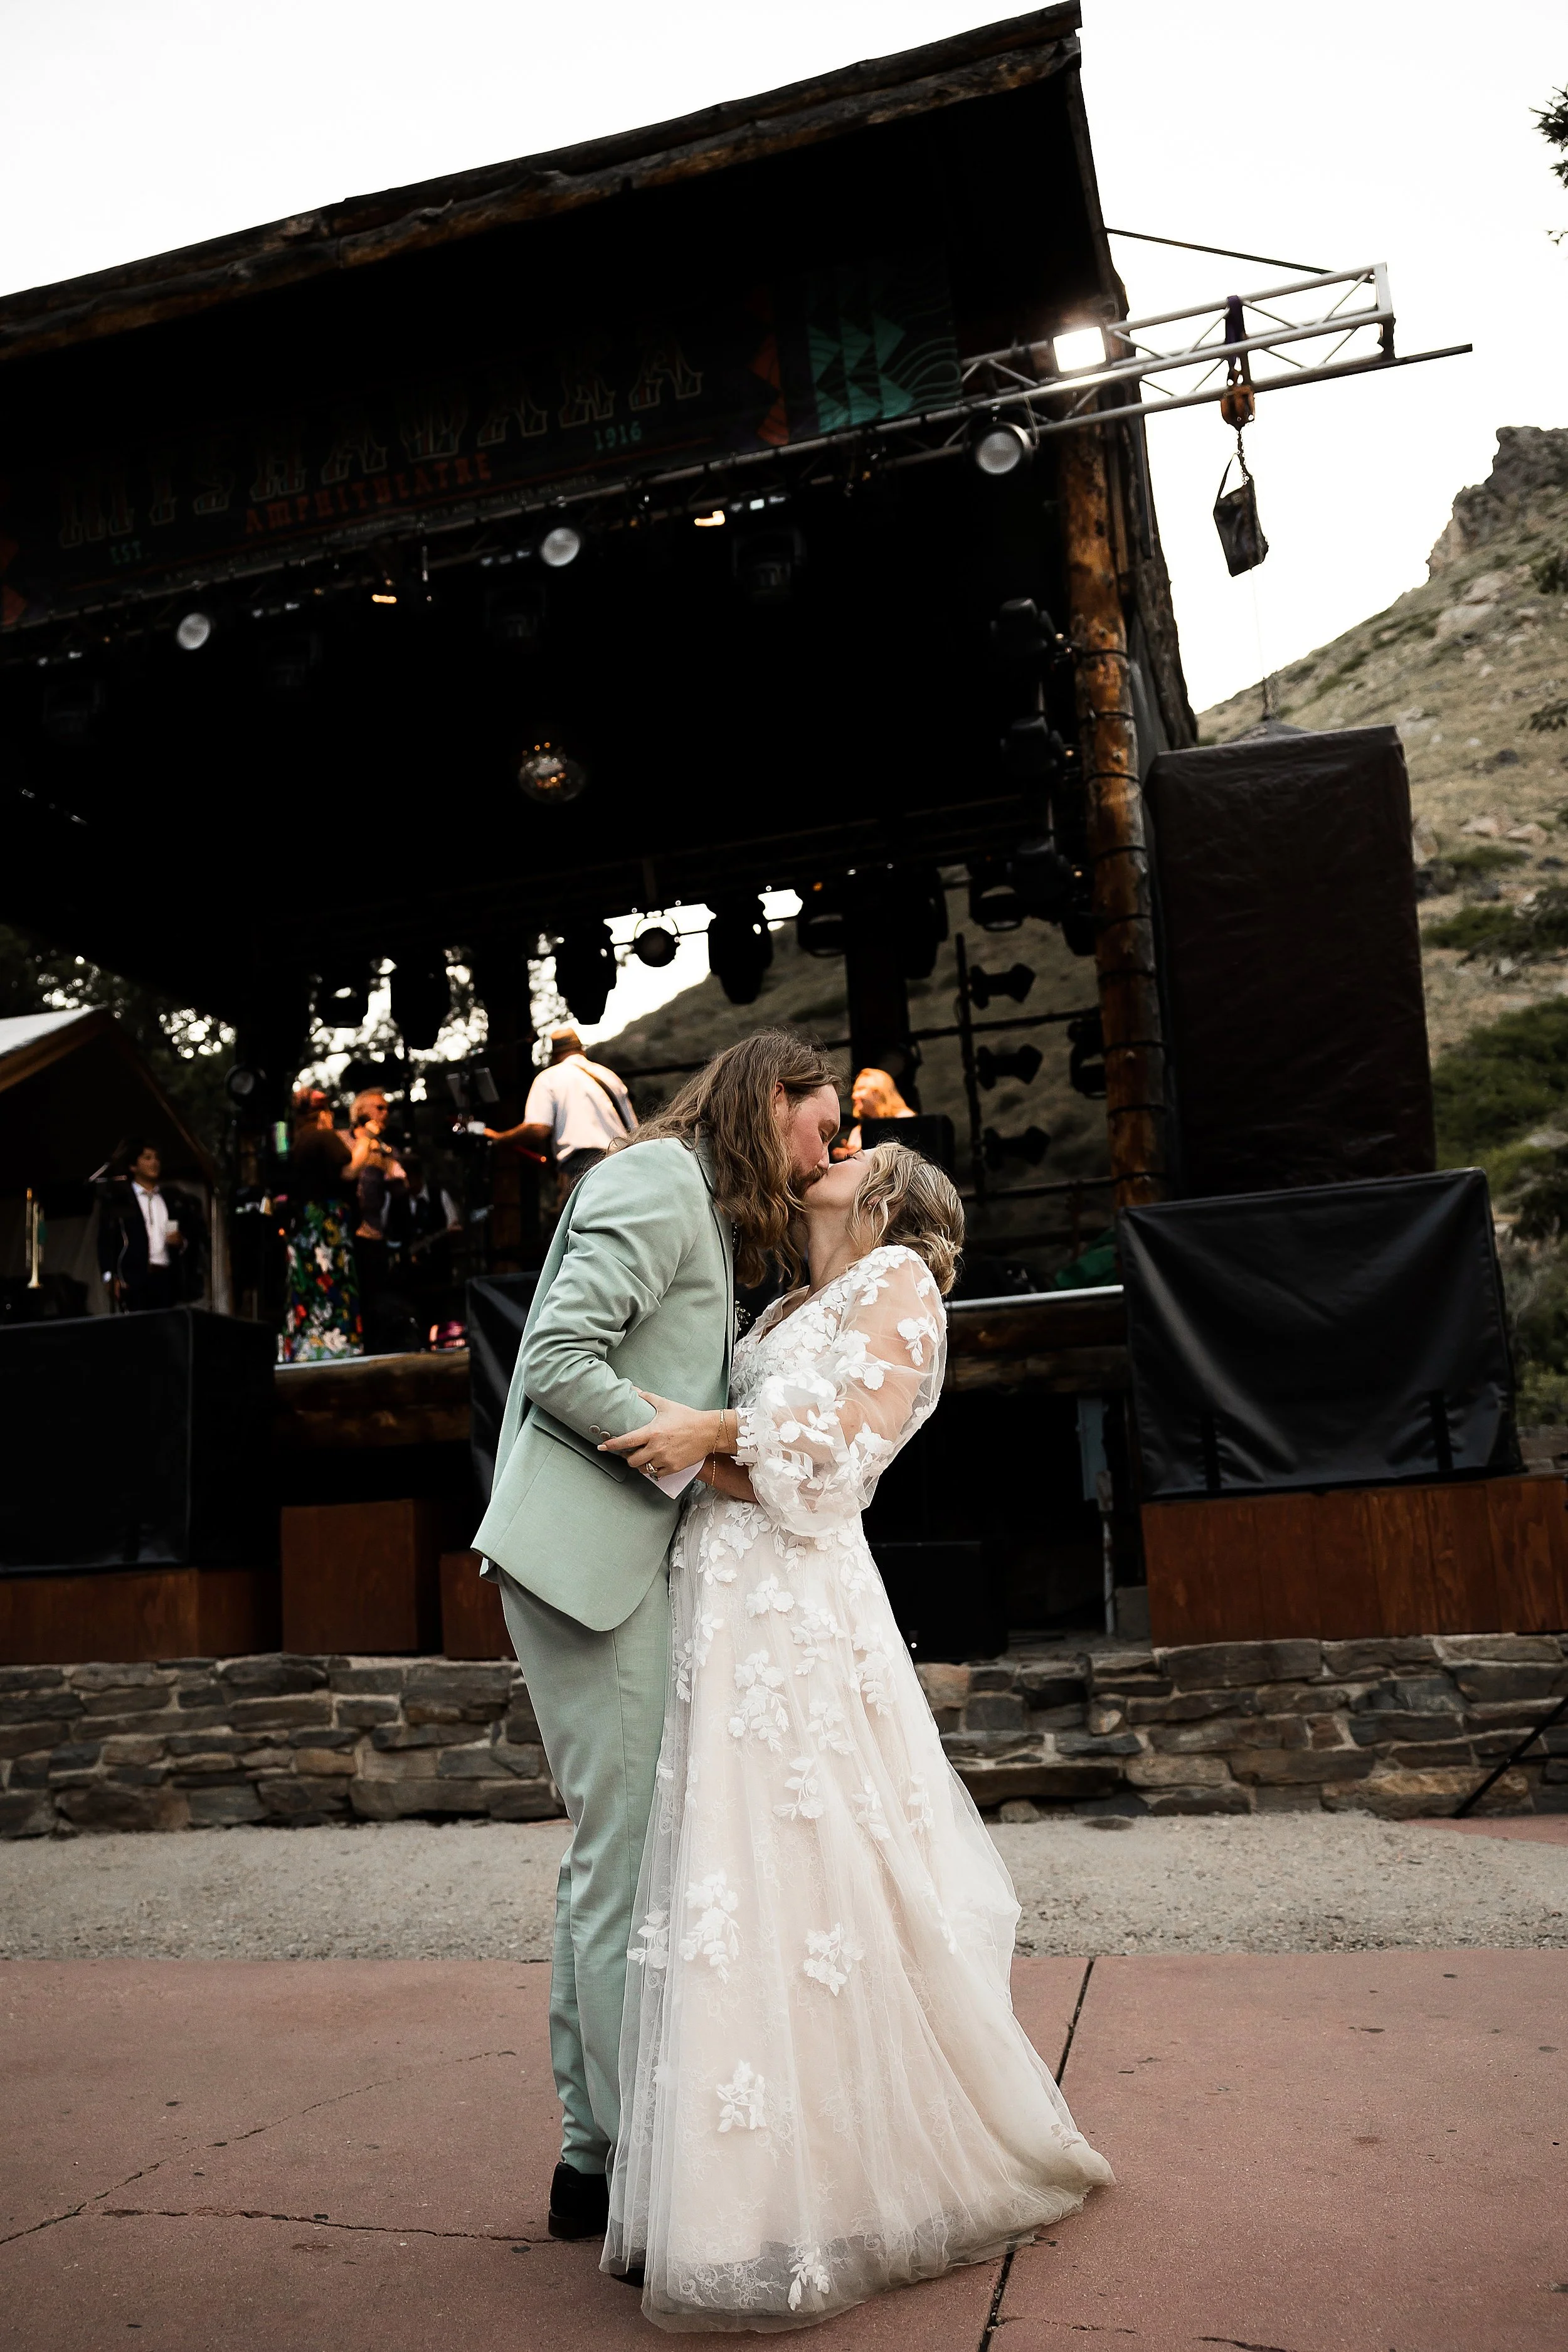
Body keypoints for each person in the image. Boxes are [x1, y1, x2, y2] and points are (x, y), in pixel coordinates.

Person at [600, 1142, 1111, 2329]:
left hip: (800, 1609)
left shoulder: (899, 1283)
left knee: (824, 1864)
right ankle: (739, 2195)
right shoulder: (780, 1304)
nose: (827, 1154)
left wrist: (707, 1435)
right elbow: (747, 1457)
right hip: (723, 1594)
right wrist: (706, 1449)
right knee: (738, 1878)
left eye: (855, 1151)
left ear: (887, 1197)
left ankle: (871, 2171)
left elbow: (839, 1464)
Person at [471, 1030, 842, 2248]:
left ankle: (603, 2162)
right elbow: (556, 1362)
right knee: (618, 1861)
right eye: (819, 1124)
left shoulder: (695, 1195)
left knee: (641, 1854)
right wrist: (687, 1444)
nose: (826, 1152)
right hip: (583, 1562)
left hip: (628, 1558)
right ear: (768, 1097)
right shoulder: (646, 1179)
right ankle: (606, 2164)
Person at [483, 1025, 638, 1204]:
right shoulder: (609, 1076)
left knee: (579, 1229)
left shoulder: (549, 1077)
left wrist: (499, 1138)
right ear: (581, 1049)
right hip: (623, 1164)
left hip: (582, 1168)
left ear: (555, 1056)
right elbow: (634, 1130)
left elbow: (538, 1129)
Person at [278, 1089, 372, 1362]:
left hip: (304, 1226)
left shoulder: (297, 1143)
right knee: (332, 1284)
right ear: (324, 1114)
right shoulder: (322, 1137)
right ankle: (337, 1347)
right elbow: (349, 1171)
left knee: (307, 1287)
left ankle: (305, 1348)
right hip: (326, 1226)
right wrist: (364, 1143)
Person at [96, 1139, 206, 1311]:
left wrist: (181, 1242)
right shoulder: (123, 1199)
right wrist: (110, 1277)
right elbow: (105, 1241)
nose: (154, 1162)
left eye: (156, 1158)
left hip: (166, 1278)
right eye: (147, 1158)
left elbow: (189, 1235)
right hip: (135, 1279)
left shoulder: (170, 1199)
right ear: (133, 1167)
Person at [834, 1064, 916, 1158]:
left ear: (880, 1092)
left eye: (861, 1089)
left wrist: (856, 1154)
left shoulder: (905, 1119)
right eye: (854, 1091)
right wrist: (849, 1154)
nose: (854, 1096)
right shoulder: (859, 1128)